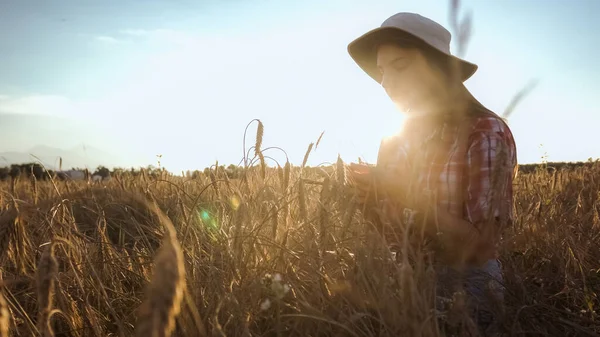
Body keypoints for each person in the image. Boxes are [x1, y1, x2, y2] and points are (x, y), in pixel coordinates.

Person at [344, 12, 518, 336]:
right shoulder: (397, 137)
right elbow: (395, 232)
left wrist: (404, 193)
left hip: (468, 292)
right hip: (406, 279)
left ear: (438, 69)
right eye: (381, 71)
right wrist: (369, 199)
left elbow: (481, 248)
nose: (385, 81)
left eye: (400, 66)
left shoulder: (485, 132)